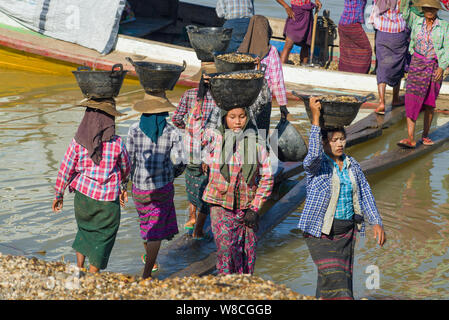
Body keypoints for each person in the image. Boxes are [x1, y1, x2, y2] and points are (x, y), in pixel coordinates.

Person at [298, 97, 386, 300]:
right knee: (335, 277)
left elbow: (365, 194)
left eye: (341, 139)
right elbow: (312, 155)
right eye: (333, 140)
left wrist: (376, 223)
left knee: (336, 279)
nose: (339, 144)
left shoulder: (352, 164)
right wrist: (316, 118)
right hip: (319, 233)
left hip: (346, 233)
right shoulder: (318, 166)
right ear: (324, 143)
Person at [52, 99, 131, 273]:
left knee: (85, 229)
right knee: (104, 235)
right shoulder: (117, 143)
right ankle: (93, 274)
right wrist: (124, 187)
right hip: (108, 201)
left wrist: (59, 194)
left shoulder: (78, 142)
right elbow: (126, 168)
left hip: (83, 197)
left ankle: (79, 267)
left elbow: (66, 167)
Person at [202, 107, 274, 275]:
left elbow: (267, 177)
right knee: (226, 252)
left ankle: (244, 291)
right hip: (220, 204)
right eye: (232, 117)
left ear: (247, 118)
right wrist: (201, 95)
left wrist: (255, 208)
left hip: (247, 208)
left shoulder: (256, 144)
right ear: (224, 118)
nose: (237, 121)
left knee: (247, 253)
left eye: (242, 117)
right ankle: (227, 289)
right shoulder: (215, 139)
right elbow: (195, 132)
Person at [124, 91, 186, 279]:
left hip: (139, 189)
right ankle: (146, 273)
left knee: (146, 222)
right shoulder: (172, 131)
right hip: (162, 188)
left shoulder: (134, 129)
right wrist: (171, 174)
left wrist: (123, 185)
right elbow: (182, 161)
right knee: (155, 231)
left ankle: (149, 259)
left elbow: (127, 161)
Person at [172, 77, 220, 239]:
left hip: (190, 148)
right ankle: (198, 229)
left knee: (191, 182)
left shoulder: (189, 94)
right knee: (207, 188)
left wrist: (189, 131)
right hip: (209, 150)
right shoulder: (220, 98)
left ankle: (192, 217)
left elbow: (176, 119)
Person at [397, 0, 449, 148]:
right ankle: (411, 137)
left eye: (432, 8)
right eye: (426, 8)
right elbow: (404, 11)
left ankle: (425, 136)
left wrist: (442, 67)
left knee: (429, 103)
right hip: (417, 65)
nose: (429, 10)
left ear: (437, 10)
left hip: (434, 68)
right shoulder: (417, 22)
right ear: (423, 9)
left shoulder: (444, 26)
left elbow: (447, 49)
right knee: (411, 100)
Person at [237, 15, 290, 132]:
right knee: (261, 135)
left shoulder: (241, 50)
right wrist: (282, 106)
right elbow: (277, 80)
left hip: (243, 101)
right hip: (264, 102)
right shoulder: (272, 51)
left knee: (244, 133)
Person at [368, 0, 411, 114]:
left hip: (382, 33)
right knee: (398, 65)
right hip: (399, 34)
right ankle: (395, 99)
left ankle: (381, 102)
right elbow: (409, 14)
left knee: (382, 66)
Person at [276, 0, 323, 65]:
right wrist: (286, 7)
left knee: (306, 44)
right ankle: (281, 68)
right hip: (295, 13)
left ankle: (304, 67)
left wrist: (316, 0)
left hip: (307, 14)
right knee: (289, 44)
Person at [338, 0, 373, 74]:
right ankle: (359, 73)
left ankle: (344, 73)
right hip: (352, 24)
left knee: (346, 51)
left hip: (343, 22)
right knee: (366, 50)